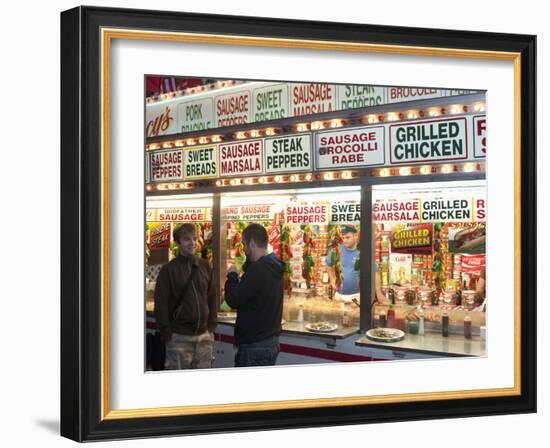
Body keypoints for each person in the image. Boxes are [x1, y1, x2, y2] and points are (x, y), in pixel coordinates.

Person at [154, 223, 218, 369]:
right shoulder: (169, 270)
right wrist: (167, 333)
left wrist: (211, 326)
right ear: (177, 242)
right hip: (178, 337)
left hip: (204, 337)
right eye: (187, 239)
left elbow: (212, 297)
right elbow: (161, 303)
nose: (192, 243)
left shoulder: (205, 266)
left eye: (195, 239)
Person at [224, 223, 285, 367]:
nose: (244, 249)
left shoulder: (258, 270)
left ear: (251, 243)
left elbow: (233, 299)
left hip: (254, 346)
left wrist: (232, 276)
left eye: (244, 244)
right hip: (270, 342)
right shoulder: (273, 265)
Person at [325, 225, 386, 302]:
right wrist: (332, 279)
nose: (344, 241)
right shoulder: (337, 250)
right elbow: (328, 264)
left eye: (347, 237)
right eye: (343, 238)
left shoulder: (363, 251)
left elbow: (375, 271)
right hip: (339, 296)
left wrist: (379, 293)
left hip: (357, 296)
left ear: (356, 236)